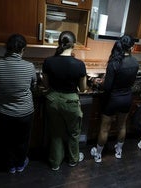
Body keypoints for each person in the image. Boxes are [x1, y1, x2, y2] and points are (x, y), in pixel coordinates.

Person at [0, 34, 37, 174]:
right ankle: (20, 164)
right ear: (23, 50)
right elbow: (33, 85)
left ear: (6, 48)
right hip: (25, 112)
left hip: (4, 112)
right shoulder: (29, 66)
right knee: (23, 140)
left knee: (6, 141)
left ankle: (10, 166)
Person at [42, 31, 87, 171]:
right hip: (71, 102)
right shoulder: (79, 64)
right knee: (74, 133)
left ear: (59, 43)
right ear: (73, 44)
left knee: (56, 133)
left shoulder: (48, 62)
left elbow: (46, 85)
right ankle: (73, 160)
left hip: (53, 100)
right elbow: (83, 88)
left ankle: (55, 163)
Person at [90, 35, 139, 163]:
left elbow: (107, 87)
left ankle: (98, 155)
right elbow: (130, 82)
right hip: (127, 98)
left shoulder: (114, 62)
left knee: (105, 128)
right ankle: (118, 151)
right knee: (122, 126)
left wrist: (98, 82)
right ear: (132, 47)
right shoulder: (135, 62)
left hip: (112, 100)